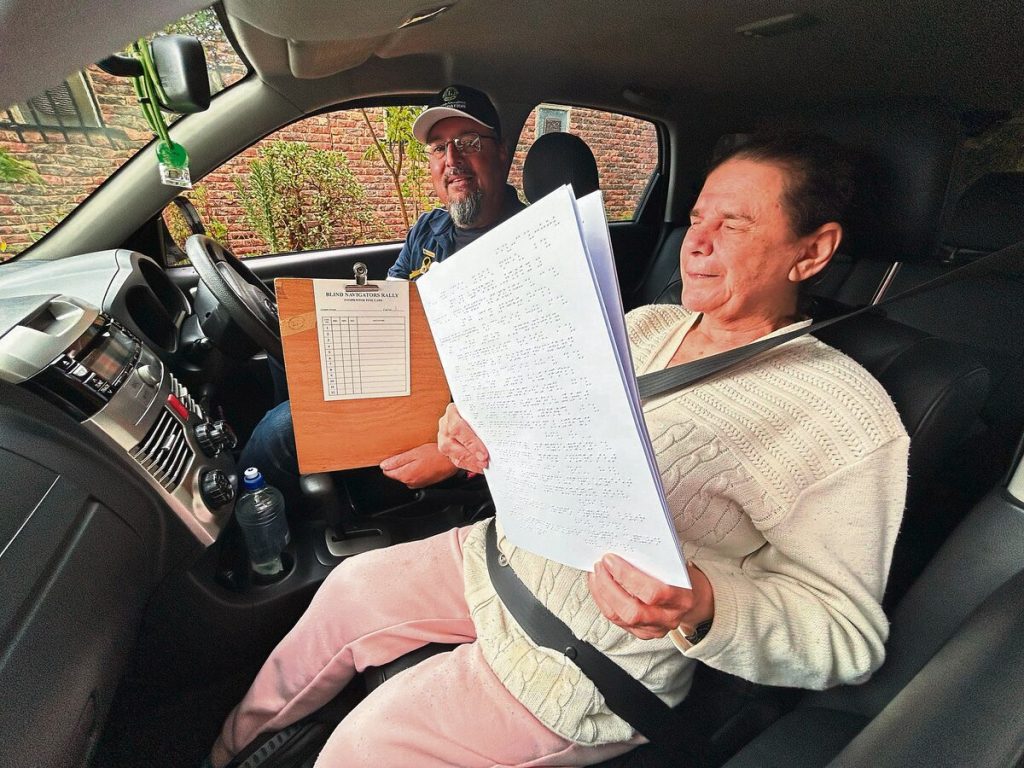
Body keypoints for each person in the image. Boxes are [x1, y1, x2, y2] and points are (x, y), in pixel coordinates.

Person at [207, 132, 909, 768]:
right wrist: (468, 430)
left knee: (367, 742)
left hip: (591, 659)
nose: (697, 242)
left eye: (733, 224)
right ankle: (226, 754)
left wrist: (703, 603)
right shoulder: (649, 323)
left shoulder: (841, 410)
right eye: (697, 219)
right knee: (349, 587)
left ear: (811, 251)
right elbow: (534, 416)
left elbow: (848, 637)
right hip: (499, 560)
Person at [240, 84, 525, 500]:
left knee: (282, 430)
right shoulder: (429, 229)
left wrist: (452, 457)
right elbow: (388, 301)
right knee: (287, 347)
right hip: (398, 373)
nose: (452, 160)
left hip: (457, 419)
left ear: (501, 153)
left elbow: (538, 383)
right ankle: (316, 478)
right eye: (438, 147)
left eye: (468, 142)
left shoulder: (532, 242)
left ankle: (239, 536)